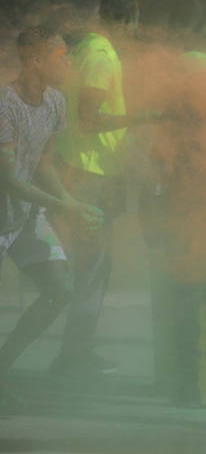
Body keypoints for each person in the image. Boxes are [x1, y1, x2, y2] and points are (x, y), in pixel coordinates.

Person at [51, 0, 160, 375]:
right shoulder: (100, 56)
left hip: (82, 168)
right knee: (93, 267)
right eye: (136, 19)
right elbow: (89, 118)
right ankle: (74, 356)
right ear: (126, 19)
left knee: (90, 265)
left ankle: (76, 351)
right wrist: (142, 118)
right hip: (90, 173)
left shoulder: (84, 50)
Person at [0, 27, 103, 409]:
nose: (69, 63)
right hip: (4, 210)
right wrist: (66, 207)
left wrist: (68, 201)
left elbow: (43, 162)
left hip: (27, 215)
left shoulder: (56, 102)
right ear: (35, 60)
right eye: (62, 56)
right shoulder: (4, 104)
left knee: (59, 291)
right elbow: (9, 178)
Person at [147, 51, 206, 407]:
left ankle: (187, 382)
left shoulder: (170, 116)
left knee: (189, 298)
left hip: (187, 217)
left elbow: (156, 170)